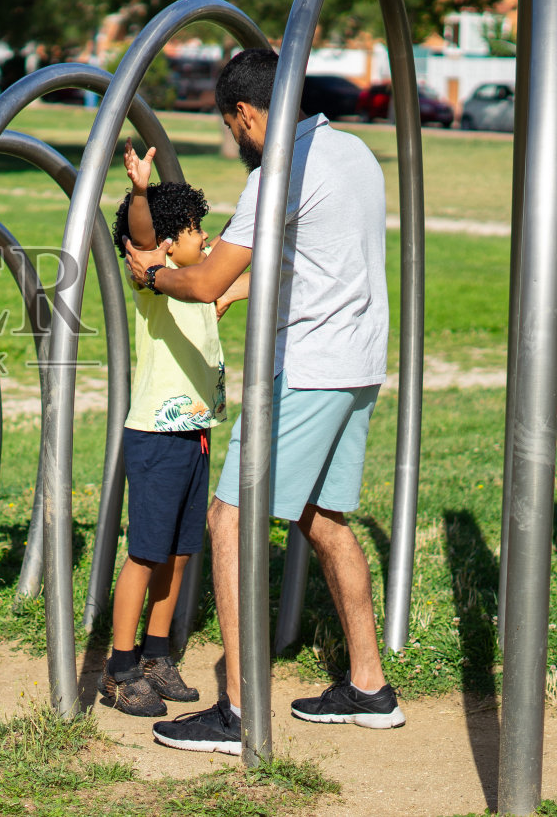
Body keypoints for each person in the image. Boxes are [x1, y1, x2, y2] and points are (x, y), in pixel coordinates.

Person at [122, 48, 404, 756]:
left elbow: (211, 272)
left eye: (230, 127)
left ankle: (239, 710)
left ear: (245, 113)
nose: (236, 140)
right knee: (322, 519)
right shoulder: (354, 154)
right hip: (360, 361)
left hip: (307, 367)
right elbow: (309, 263)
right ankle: (368, 687)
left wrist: (156, 274)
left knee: (229, 517)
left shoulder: (278, 169)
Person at [101, 139, 228, 717]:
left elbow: (246, 273)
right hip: (155, 436)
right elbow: (144, 236)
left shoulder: (200, 287)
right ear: (170, 245)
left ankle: (157, 655)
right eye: (199, 233)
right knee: (146, 554)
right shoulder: (153, 280)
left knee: (178, 554)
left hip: (195, 437)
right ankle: (120, 666)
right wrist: (139, 191)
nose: (207, 240)